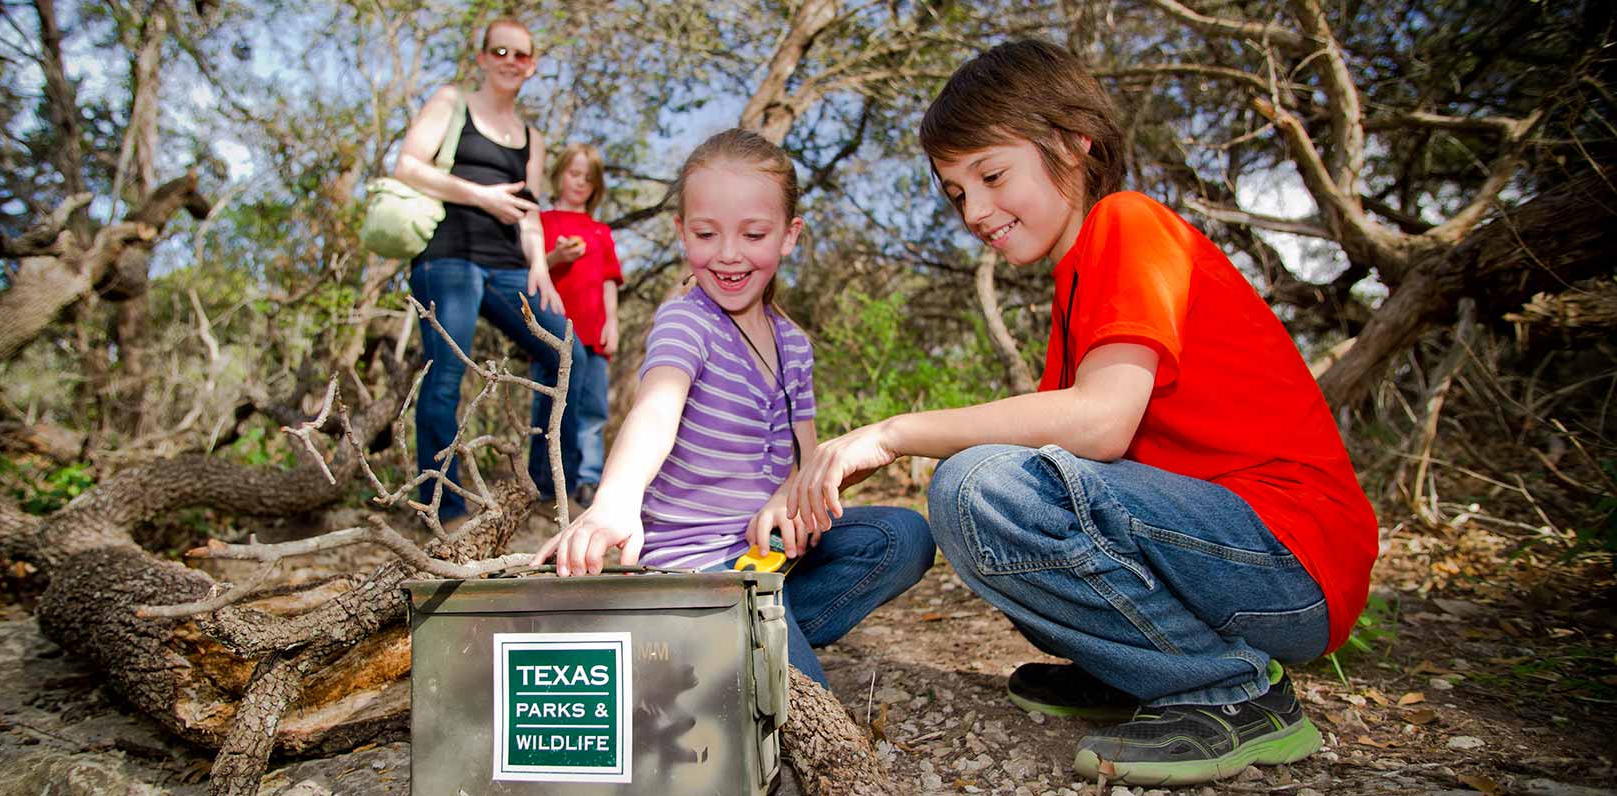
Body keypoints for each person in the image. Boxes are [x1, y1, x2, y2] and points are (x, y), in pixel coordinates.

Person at [787, 39, 1378, 785]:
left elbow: (1100, 423)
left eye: (992, 175)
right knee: (994, 503)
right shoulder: (1074, 288)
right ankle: (1143, 667)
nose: (975, 210)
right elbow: (1092, 459)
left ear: (1073, 140)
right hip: (1230, 555)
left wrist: (893, 434)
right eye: (957, 192)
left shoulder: (1129, 223)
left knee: (976, 488)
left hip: (1292, 558)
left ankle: (1230, 694)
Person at [532, 129, 934, 687]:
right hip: (697, 568)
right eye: (706, 233)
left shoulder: (793, 345)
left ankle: (748, 636)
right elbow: (655, 410)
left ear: (789, 236)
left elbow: (807, 456)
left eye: (753, 233)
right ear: (681, 233)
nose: (728, 254)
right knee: (798, 704)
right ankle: (723, 636)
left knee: (904, 537)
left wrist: (786, 498)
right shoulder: (686, 321)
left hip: (766, 559)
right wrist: (615, 500)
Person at [392, 17, 587, 516]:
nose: (509, 62)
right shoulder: (451, 103)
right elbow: (408, 166)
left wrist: (540, 267)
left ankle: (547, 490)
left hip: (506, 265)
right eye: (499, 53)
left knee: (566, 352)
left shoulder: (532, 139)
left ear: (532, 65)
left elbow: (527, 213)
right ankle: (442, 506)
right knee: (444, 377)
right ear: (482, 58)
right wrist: (479, 195)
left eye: (520, 55)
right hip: (448, 257)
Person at [541, 144, 623, 508]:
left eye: (588, 179)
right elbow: (531, 271)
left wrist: (613, 323)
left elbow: (609, 280)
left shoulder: (600, 231)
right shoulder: (542, 222)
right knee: (552, 408)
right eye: (574, 174)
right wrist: (556, 257)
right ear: (559, 174)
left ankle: (588, 480)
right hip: (554, 333)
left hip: (594, 334)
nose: (579, 183)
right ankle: (548, 481)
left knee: (592, 409)